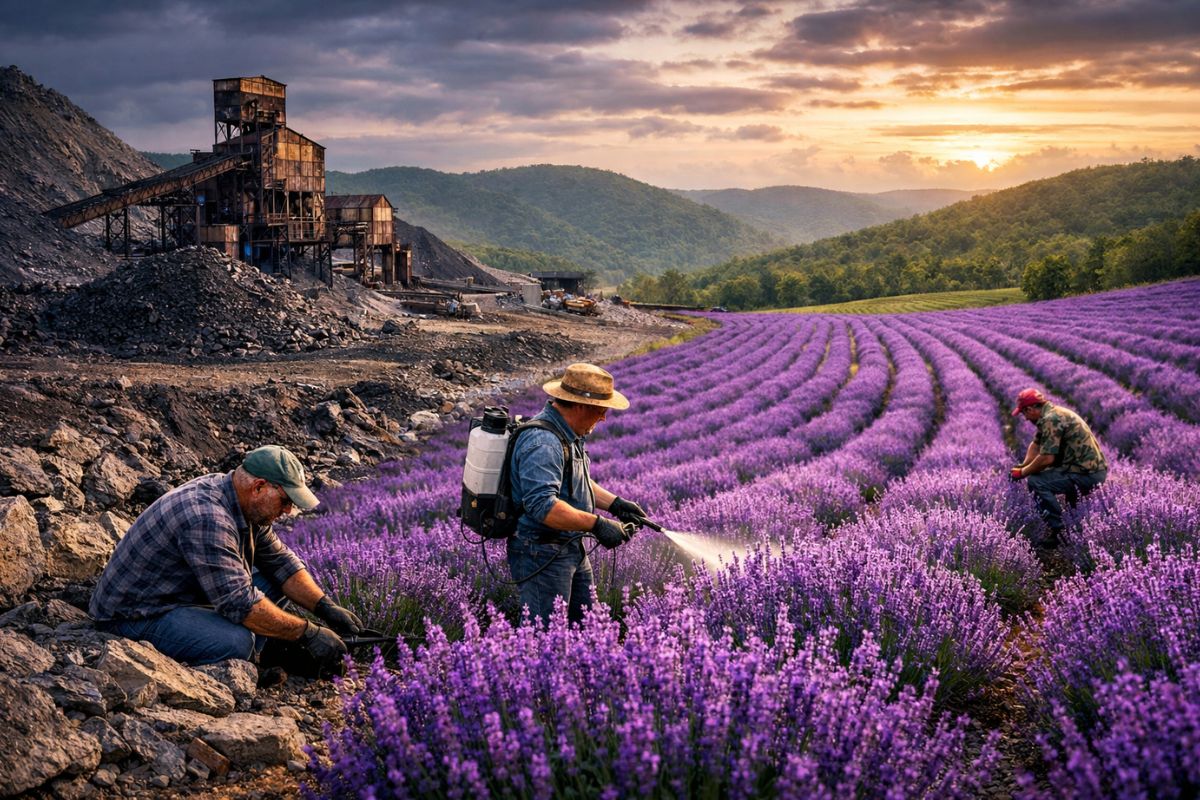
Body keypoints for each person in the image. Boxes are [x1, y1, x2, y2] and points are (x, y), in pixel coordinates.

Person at [89, 445, 361, 677]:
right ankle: (250, 656)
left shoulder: (238, 496)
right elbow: (239, 602)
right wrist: (307, 633)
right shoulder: (207, 517)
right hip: (134, 614)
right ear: (259, 487)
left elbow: (280, 562)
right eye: (285, 501)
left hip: (180, 594)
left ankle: (261, 650)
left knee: (272, 579)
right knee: (235, 642)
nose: (289, 511)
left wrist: (324, 607)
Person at [507, 363, 648, 624]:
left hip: (570, 547)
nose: (604, 417)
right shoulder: (544, 442)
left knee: (586, 630)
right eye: (601, 409)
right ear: (582, 406)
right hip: (542, 553)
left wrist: (615, 504)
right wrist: (597, 524)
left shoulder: (568, 434)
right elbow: (544, 506)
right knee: (546, 639)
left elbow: (575, 481)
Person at [1009, 388, 1108, 545]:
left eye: (1024, 413)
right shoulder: (1051, 415)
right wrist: (1023, 465)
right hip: (1084, 469)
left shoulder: (1051, 419)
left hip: (1086, 473)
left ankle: (1059, 532)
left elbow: (1047, 458)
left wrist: (1022, 473)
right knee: (1070, 500)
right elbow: (1036, 445)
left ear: (1031, 409)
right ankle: (1075, 532)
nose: (1026, 419)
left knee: (1036, 482)